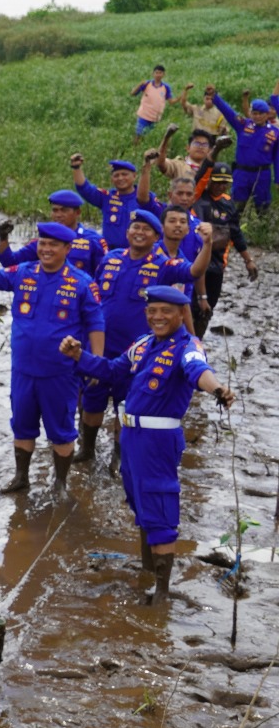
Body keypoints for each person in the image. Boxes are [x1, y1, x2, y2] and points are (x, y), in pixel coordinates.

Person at [61, 286, 235, 604]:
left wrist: (218, 388)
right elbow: (113, 370)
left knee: (160, 508)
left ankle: (163, 592)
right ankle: (147, 571)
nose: (157, 317)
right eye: (152, 311)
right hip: (131, 437)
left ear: (182, 314)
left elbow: (199, 370)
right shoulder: (143, 344)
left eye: (165, 311)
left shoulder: (188, 346)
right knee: (141, 505)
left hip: (157, 441)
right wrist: (79, 356)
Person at [0, 223, 105, 497]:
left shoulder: (81, 282)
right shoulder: (24, 272)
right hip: (23, 371)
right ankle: (21, 477)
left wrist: (96, 363)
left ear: (67, 249)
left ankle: (60, 484)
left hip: (61, 373)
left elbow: (96, 324)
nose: (46, 249)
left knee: (61, 430)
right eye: (43, 243)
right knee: (22, 424)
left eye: (53, 245)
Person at [78, 211, 213, 474]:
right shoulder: (110, 258)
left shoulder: (163, 265)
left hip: (135, 354)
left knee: (124, 406)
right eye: (134, 228)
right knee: (92, 400)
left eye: (146, 229)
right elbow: (93, 299)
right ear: (128, 232)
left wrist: (207, 244)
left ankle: (117, 457)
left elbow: (195, 270)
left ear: (156, 236)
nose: (139, 233)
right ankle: (87, 450)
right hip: (100, 348)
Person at [192, 168, 259, 334]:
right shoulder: (199, 197)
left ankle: (197, 342)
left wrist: (248, 260)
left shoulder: (228, 203)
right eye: (217, 181)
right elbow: (199, 176)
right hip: (195, 263)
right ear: (210, 180)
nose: (220, 186)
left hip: (217, 264)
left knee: (208, 307)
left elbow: (236, 233)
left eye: (225, 183)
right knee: (191, 304)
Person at [0, 189, 107, 277]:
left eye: (64, 210)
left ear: (77, 212)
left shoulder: (93, 240)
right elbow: (11, 263)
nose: (58, 215)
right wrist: (3, 238)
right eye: (55, 210)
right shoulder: (44, 241)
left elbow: (104, 275)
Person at [210, 86, 278, 214]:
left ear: (267, 115)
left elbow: (277, 158)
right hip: (242, 173)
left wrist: (278, 179)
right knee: (236, 207)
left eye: (260, 114)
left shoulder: (275, 133)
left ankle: (260, 231)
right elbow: (228, 112)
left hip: (262, 174)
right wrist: (215, 97)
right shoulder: (243, 125)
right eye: (254, 113)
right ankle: (234, 230)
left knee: (262, 207)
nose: (257, 117)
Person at [72, 154, 146, 251]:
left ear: (134, 176)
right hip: (111, 254)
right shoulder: (107, 197)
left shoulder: (144, 198)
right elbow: (85, 189)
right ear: (112, 179)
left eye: (124, 174)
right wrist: (76, 167)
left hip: (138, 253)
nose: (120, 178)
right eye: (116, 175)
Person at [131, 65, 172, 144]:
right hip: (143, 115)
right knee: (138, 135)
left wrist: (183, 93)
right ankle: (134, 151)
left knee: (150, 138)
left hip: (155, 118)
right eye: (156, 73)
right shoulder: (147, 84)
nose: (158, 75)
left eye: (160, 73)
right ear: (153, 74)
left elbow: (171, 101)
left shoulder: (166, 87)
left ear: (164, 74)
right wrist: (140, 84)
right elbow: (133, 93)